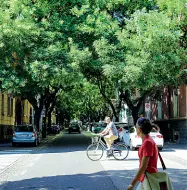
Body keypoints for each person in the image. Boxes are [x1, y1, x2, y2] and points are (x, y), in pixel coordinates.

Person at [127, 117, 158, 190]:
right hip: (146, 178)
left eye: (136, 127)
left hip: (149, 178)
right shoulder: (147, 140)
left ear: (139, 129)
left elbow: (143, 166)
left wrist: (132, 184)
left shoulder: (147, 142)